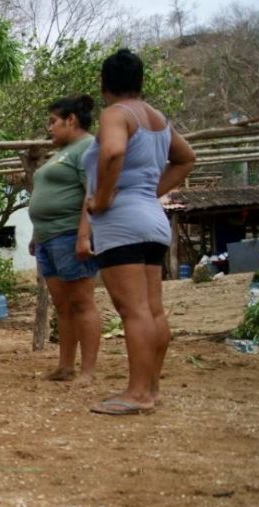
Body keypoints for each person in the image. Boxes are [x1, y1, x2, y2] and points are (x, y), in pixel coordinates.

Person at [83, 49, 196, 415]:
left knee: (133, 311)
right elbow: (186, 157)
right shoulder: (157, 119)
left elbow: (113, 152)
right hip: (151, 219)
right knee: (152, 310)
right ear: (140, 81)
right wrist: (149, 193)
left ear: (104, 83)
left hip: (121, 222)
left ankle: (137, 393)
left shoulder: (115, 113)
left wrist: (100, 200)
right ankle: (152, 387)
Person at [28, 95, 101, 385]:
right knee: (63, 306)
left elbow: (91, 193)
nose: (49, 128)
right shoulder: (63, 152)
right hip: (48, 238)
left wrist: (84, 235)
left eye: (53, 121)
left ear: (71, 120)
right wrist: (36, 234)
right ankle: (65, 366)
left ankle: (89, 370)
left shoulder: (87, 148)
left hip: (70, 234)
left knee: (82, 302)